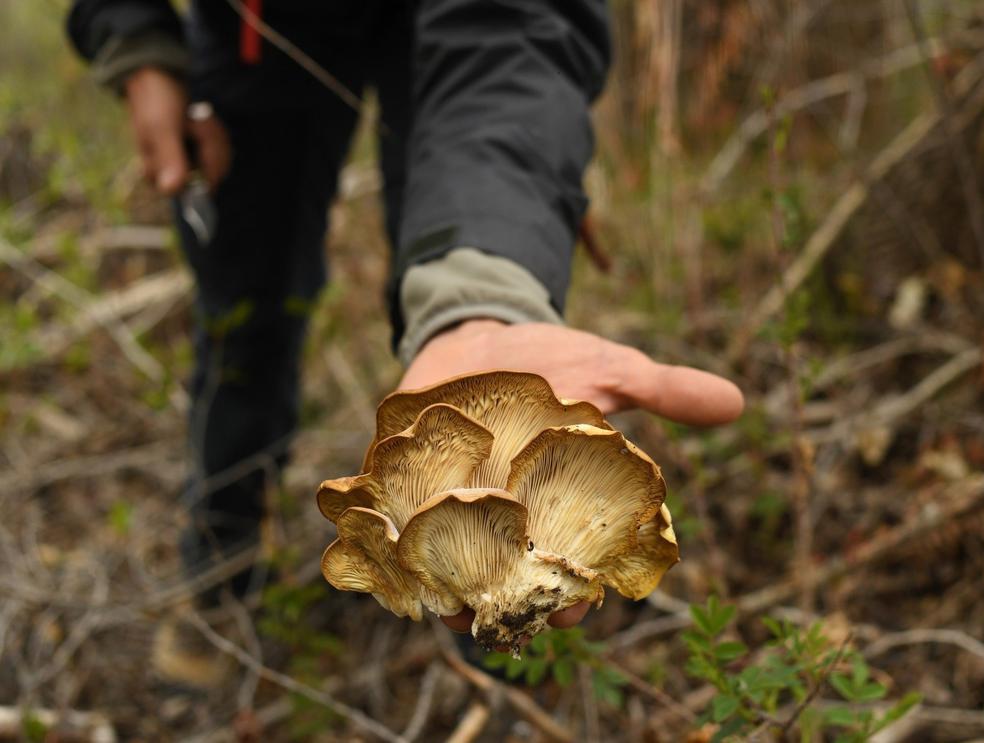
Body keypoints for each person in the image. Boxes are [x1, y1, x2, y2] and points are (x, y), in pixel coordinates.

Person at [66, 0, 744, 651]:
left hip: (447, 20)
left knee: (466, 237)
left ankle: (493, 633)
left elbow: (512, 31)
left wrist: (481, 285)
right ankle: (220, 579)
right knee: (246, 307)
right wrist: (139, 42)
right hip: (252, 24)